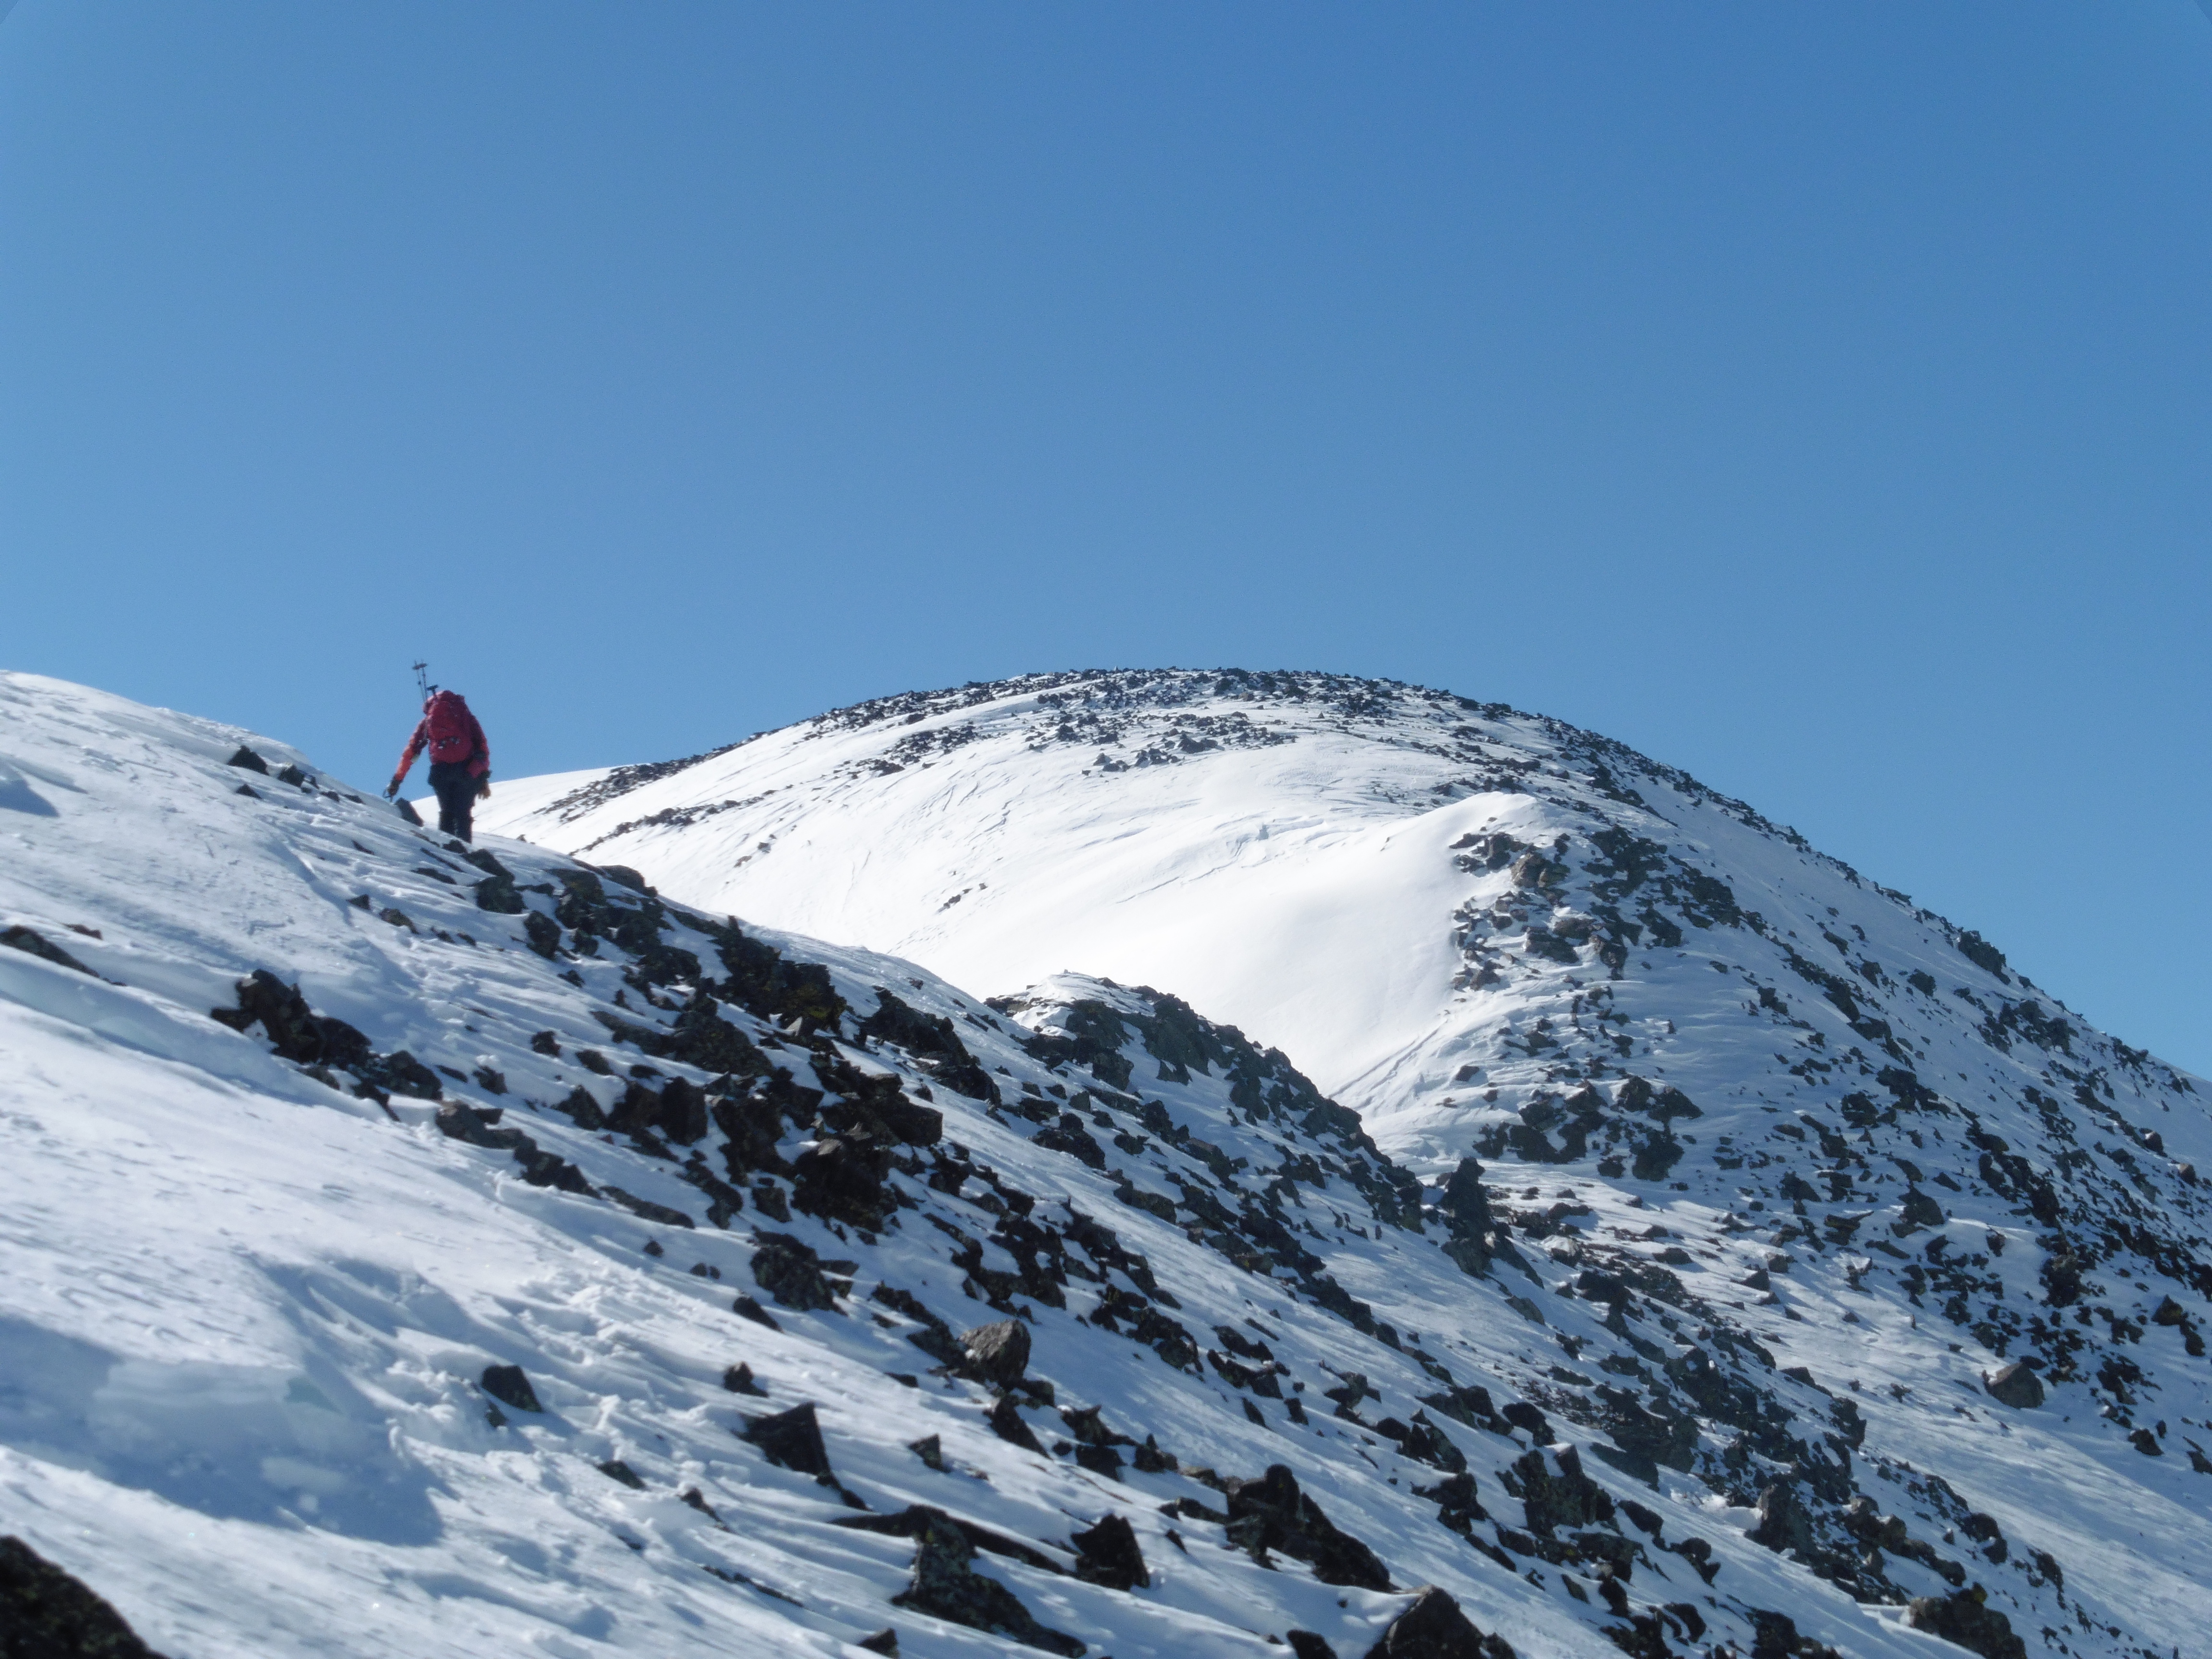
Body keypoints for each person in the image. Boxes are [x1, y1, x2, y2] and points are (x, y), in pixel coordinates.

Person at [386, 688, 491, 841]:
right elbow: (482, 748)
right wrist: (482, 777)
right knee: (463, 814)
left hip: (441, 772)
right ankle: (464, 852)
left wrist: (397, 779)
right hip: (468, 771)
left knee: (447, 812)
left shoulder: (427, 722)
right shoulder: (467, 718)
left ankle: (447, 849)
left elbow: (411, 752)